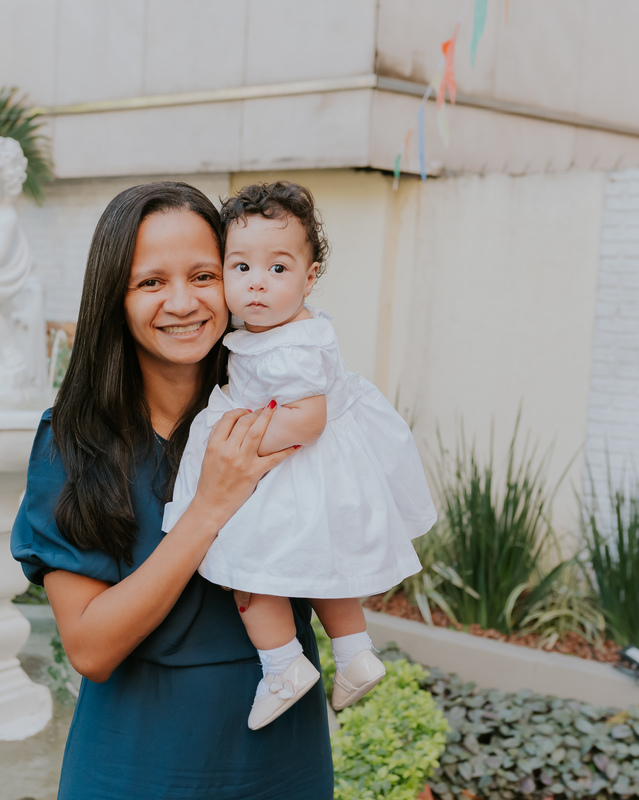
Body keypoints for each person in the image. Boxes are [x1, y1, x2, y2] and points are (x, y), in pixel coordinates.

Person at [11, 181, 334, 799]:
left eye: (204, 275)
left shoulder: (281, 413)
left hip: (281, 756)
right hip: (137, 761)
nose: (183, 302)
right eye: (151, 282)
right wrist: (208, 508)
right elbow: (89, 649)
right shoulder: (73, 441)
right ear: (115, 298)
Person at [163, 181, 437, 730]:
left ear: (310, 278)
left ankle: (284, 665)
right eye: (240, 268)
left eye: (278, 269)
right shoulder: (289, 330)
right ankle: (355, 651)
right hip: (323, 473)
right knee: (320, 572)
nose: (257, 284)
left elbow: (307, 421)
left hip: (292, 464)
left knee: (245, 569)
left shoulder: (287, 345)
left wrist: (239, 443)